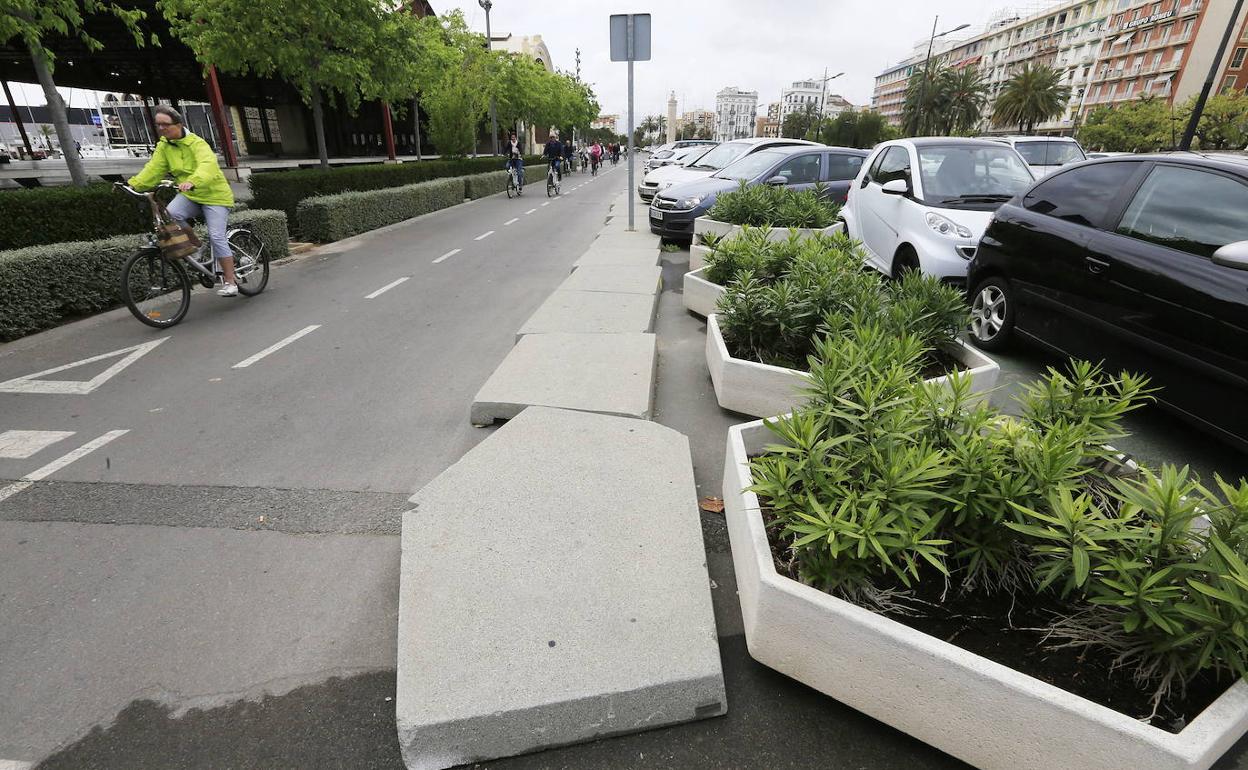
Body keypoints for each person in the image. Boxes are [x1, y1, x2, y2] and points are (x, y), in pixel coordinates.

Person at [128, 106, 239, 296]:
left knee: (216, 236)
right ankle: (196, 244)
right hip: (190, 195)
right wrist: (133, 184)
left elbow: (208, 165)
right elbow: (154, 169)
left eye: (165, 124)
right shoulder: (164, 146)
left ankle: (230, 281)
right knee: (171, 213)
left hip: (214, 196)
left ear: (179, 124)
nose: (161, 128)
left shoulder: (197, 143)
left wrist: (192, 181)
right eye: (158, 125)